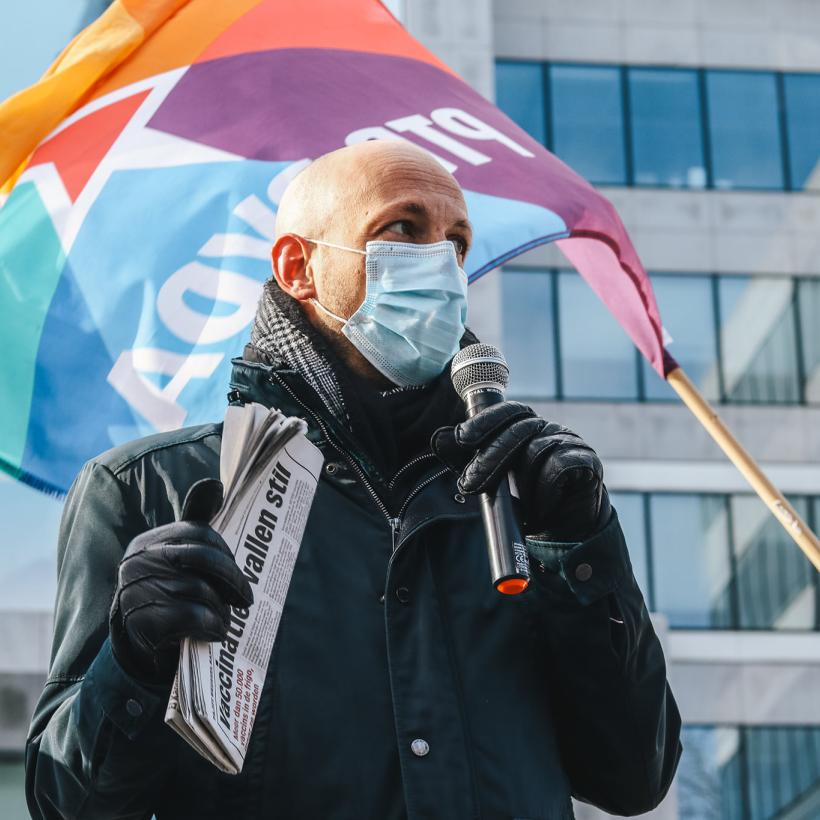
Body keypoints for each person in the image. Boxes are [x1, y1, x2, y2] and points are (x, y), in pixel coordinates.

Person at [26, 140, 681, 819]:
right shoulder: (148, 489)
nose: (442, 263)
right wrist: (133, 661)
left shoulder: (520, 500)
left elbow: (635, 777)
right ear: (298, 266)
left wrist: (581, 549)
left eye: (456, 241)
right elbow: (67, 804)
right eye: (402, 228)